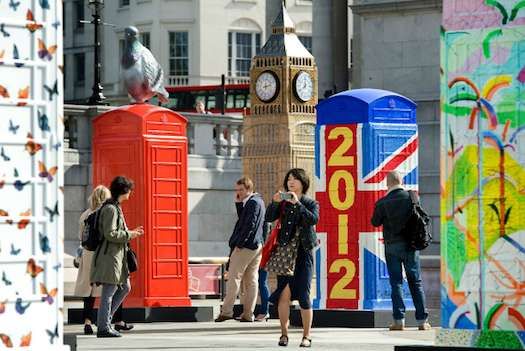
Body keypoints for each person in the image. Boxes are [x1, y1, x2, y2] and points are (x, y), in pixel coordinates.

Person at [265, 168, 319, 348]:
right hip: (286, 255)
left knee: (304, 295)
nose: (291, 182)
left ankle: (307, 335)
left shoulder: (310, 203)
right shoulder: (283, 204)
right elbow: (268, 217)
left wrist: (298, 205)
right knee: (283, 296)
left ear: (303, 183)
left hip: (303, 253)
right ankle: (284, 334)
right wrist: (274, 203)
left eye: (295, 179)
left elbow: (313, 220)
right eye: (288, 179)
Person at [371, 171, 431, 331]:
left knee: (396, 283)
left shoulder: (383, 202)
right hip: (411, 246)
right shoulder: (412, 197)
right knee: (415, 282)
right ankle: (422, 321)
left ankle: (399, 321)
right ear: (401, 181)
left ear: (387, 183)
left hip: (392, 246)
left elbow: (375, 222)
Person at [91, 176, 144, 338]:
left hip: (117, 256)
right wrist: (131, 234)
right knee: (109, 292)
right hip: (110, 257)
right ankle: (103, 328)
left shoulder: (115, 207)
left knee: (125, 287)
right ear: (124, 191)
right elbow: (110, 233)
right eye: (130, 190)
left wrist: (131, 232)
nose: (131, 193)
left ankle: (105, 323)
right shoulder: (111, 209)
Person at [215, 177, 266, 323]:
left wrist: (240, 244)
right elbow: (245, 219)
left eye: (241, 190)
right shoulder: (257, 201)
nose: (238, 193)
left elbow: (249, 225)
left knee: (233, 278)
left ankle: (226, 312)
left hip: (246, 246)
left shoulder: (253, 203)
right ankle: (248, 314)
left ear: (249, 189)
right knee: (251, 280)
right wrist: (238, 204)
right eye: (237, 190)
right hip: (256, 245)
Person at [74, 185, 108, 335]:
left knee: (88, 291)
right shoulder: (106, 213)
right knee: (109, 290)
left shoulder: (85, 214)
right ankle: (109, 321)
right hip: (102, 254)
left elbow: (81, 237)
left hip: (87, 254)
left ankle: (87, 322)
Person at [255, 222, 272, 322]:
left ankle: (265, 311)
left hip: (263, 256)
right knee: (260, 283)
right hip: (262, 255)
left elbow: (264, 240)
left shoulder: (265, 221)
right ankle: (263, 311)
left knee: (262, 283)